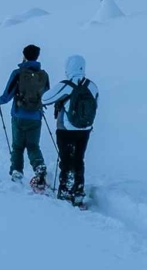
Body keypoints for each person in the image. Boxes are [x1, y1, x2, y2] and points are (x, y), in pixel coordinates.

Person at [43, 54, 99, 204]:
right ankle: (79, 190)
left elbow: (46, 98)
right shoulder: (92, 86)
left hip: (66, 129)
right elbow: (96, 104)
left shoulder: (66, 85)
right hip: (85, 129)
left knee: (66, 160)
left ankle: (66, 190)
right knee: (79, 159)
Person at [0, 43, 50, 187]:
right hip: (36, 117)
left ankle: (16, 171)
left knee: (18, 146)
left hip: (19, 116)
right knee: (33, 146)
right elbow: (47, 95)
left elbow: (7, 94)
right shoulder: (43, 75)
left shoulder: (18, 73)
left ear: (24, 56)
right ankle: (39, 166)